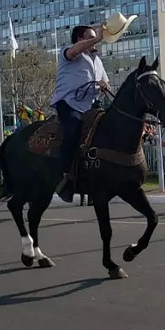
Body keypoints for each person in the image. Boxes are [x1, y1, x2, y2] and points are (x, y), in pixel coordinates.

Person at [50, 24, 111, 203]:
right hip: (69, 104)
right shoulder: (69, 52)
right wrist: (99, 37)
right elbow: (73, 51)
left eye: (95, 37)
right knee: (73, 129)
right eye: (91, 37)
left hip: (91, 105)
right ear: (80, 39)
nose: (95, 41)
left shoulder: (97, 60)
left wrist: (105, 85)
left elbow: (105, 81)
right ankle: (65, 175)